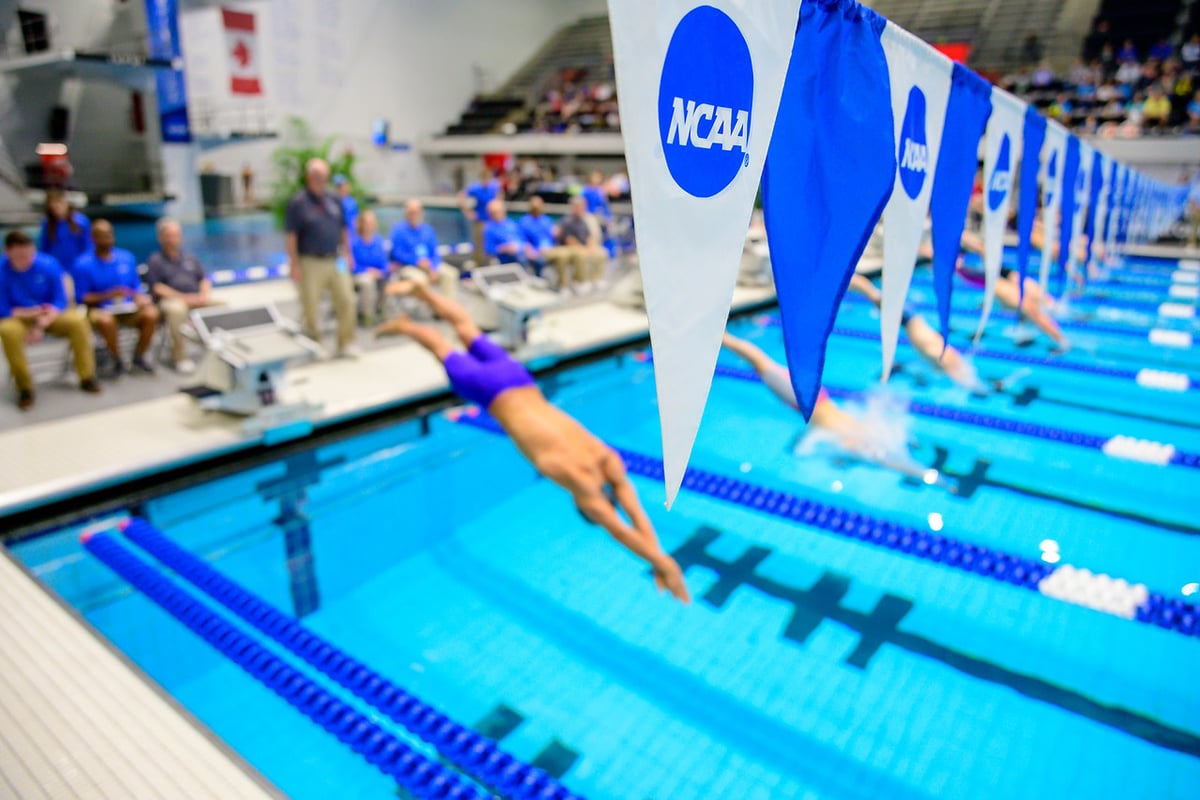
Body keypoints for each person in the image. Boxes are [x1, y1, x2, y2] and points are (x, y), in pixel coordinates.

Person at [375, 283, 690, 603]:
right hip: (489, 392)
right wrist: (665, 566)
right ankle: (406, 326)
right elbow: (620, 529)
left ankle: (425, 293)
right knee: (441, 346)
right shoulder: (578, 482)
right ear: (590, 508)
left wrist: (661, 560)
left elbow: (634, 512)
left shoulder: (606, 459)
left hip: (517, 378)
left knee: (466, 327)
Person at [720, 331, 937, 482]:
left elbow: (891, 456)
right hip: (802, 398)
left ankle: (725, 338)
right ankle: (722, 337)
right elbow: (887, 461)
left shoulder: (861, 427)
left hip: (818, 394)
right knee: (760, 362)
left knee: (761, 362)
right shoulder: (846, 436)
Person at [0, 230, 100, 409]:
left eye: (29, 254)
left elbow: (60, 300)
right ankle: (25, 388)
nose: (26, 259)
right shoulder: (2, 270)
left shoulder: (48, 264)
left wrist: (40, 324)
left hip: (48, 314)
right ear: (8, 252)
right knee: (7, 332)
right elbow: (3, 308)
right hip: (18, 316)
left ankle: (86, 376)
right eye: (20, 256)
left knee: (78, 322)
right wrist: (27, 315)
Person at [846, 274, 984, 392]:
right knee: (871, 293)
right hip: (910, 323)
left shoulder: (950, 359)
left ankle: (853, 279)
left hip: (912, 323)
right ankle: (848, 277)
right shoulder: (944, 359)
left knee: (873, 294)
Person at [284, 158, 358, 358]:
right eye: (317, 176)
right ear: (309, 177)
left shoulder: (334, 200)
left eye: (324, 176)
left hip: (335, 259)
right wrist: (294, 264)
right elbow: (291, 235)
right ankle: (315, 344)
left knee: (347, 300)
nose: (321, 180)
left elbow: (343, 229)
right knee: (311, 306)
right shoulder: (298, 203)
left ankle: (346, 343)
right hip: (310, 261)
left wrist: (348, 254)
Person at [956, 229, 1070, 351]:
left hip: (998, 280)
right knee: (1037, 308)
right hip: (997, 279)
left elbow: (980, 248)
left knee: (1036, 310)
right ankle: (1053, 333)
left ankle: (1062, 341)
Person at [74, 220, 160, 375]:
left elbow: (136, 287)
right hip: (100, 309)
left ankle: (139, 357)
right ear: (94, 238)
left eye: (109, 235)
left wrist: (139, 298)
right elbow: (82, 298)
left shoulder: (126, 258)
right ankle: (116, 359)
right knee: (106, 321)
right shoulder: (83, 264)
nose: (107, 240)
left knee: (151, 314)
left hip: (127, 307)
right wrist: (107, 295)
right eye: (102, 236)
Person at [145, 217, 216, 374]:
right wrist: (185, 298)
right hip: (171, 302)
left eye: (176, 235)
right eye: (170, 235)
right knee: (177, 310)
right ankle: (180, 356)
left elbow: (203, 279)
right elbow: (158, 288)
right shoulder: (155, 261)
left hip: (195, 298)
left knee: (222, 307)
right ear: (161, 238)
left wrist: (204, 295)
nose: (174, 239)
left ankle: (220, 349)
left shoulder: (189, 258)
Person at [388, 199, 459, 298]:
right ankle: (428, 309)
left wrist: (433, 267)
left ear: (421, 213)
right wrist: (416, 261)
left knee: (450, 274)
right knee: (421, 280)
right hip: (408, 266)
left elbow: (435, 253)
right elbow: (397, 253)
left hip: (429, 265)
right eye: (411, 213)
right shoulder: (398, 230)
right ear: (406, 214)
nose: (414, 215)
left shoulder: (428, 230)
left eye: (416, 212)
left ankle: (447, 309)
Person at [548, 196, 605, 292]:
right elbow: (569, 239)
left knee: (601, 253)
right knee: (581, 255)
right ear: (573, 207)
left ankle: (595, 279)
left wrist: (590, 247)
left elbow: (589, 236)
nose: (580, 208)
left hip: (584, 246)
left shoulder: (583, 220)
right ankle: (579, 281)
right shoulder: (566, 221)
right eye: (578, 206)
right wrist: (583, 249)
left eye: (582, 206)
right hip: (571, 247)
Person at [350, 209, 390, 325]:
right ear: (361, 224)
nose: (369, 226)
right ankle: (367, 315)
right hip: (359, 275)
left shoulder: (378, 241)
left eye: (372, 223)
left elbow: (384, 263)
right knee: (367, 282)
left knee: (386, 280)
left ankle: (381, 310)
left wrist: (381, 271)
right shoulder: (354, 243)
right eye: (367, 223)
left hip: (377, 274)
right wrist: (366, 270)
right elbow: (351, 265)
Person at [37, 189, 91, 276]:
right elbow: (44, 247)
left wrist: (82, 267)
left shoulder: (81, 222)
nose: (57, 208)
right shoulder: (47, 223)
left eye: (59, 203)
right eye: (53, 206)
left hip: (76, 268)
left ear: (66, 203)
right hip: (55, 268)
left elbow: (87, 247)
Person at [457, 165, 502, 261]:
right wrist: (467, 211)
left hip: (492, 221)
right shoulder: (476, 188)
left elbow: (499, 197)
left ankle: (491, 263)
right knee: (479, 244)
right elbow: (461, 196)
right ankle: (478, 264)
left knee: (493, 243)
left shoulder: (494, 187)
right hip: (480, 220)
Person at [518, 195, 558, 276]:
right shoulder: (524, 221)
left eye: (538, 207)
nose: (536, 209)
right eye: (534, 207)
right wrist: (529, 250)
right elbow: (521, 239)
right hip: (529, 251)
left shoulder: (547, 221)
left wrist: (545, 247)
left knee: (544, 260)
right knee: (525, 260)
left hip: (544, 250)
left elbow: (550, 239)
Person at [481, 199, 525, 265]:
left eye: (500, 211)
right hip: (502, 258)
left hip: (519, 252)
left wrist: (518, 246)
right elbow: (489, 249)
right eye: (495, 212)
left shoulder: (511, 224)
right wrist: (503, 248)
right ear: (490, 214)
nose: (498, 214)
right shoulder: (489, 229)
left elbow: (522, 240)